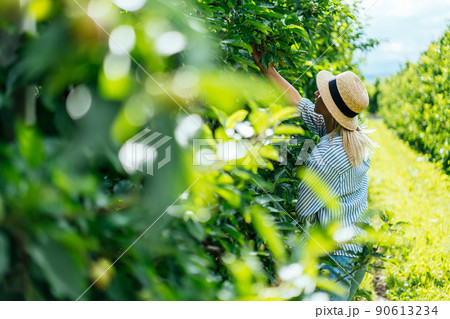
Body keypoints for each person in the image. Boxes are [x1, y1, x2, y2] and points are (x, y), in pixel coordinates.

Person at [251, 44, 375, 301]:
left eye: (324, 95)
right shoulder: (349, 136)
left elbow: (304, 210)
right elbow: (300, 103)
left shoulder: (325, 155)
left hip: (335, 260)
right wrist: (268, 69)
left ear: (330, 109)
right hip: (357, 252)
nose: (317, 92)